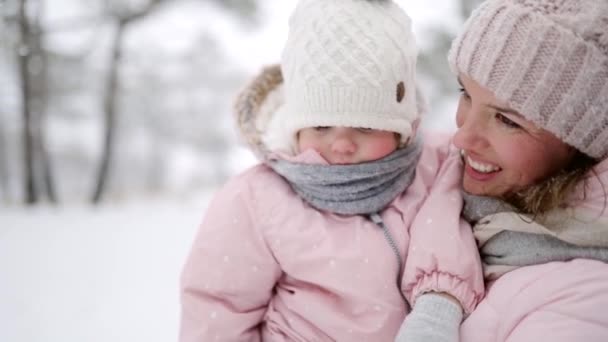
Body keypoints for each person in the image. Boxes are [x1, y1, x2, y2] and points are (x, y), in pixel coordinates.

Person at [179, 0, 483, 341]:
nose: (341, 144)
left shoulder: (435, 167)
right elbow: (219, 312)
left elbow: (448, 238)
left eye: (364, 127)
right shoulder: (256, 199)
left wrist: (436, 314)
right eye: (321, 126)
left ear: (401, 130)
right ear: (295, 128)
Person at [444, 0, 608, 340]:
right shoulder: (440, 172)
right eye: (465, 93)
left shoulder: (584, 299)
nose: (462, 136)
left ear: (580, 143)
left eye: (506, 120)